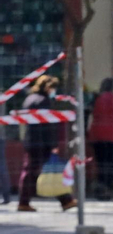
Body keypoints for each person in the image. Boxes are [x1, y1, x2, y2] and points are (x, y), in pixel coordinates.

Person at [15, 75, 76, 213]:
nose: (54, 91)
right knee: (48, 171)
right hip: (42, 143)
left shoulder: (30, 99)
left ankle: (66, 200)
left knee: (41, 171)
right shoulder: (44, 101)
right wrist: (53, 145)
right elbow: (49, 126)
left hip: (31, 141)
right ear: (48, 87)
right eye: (53, 88)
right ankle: (24, 202)